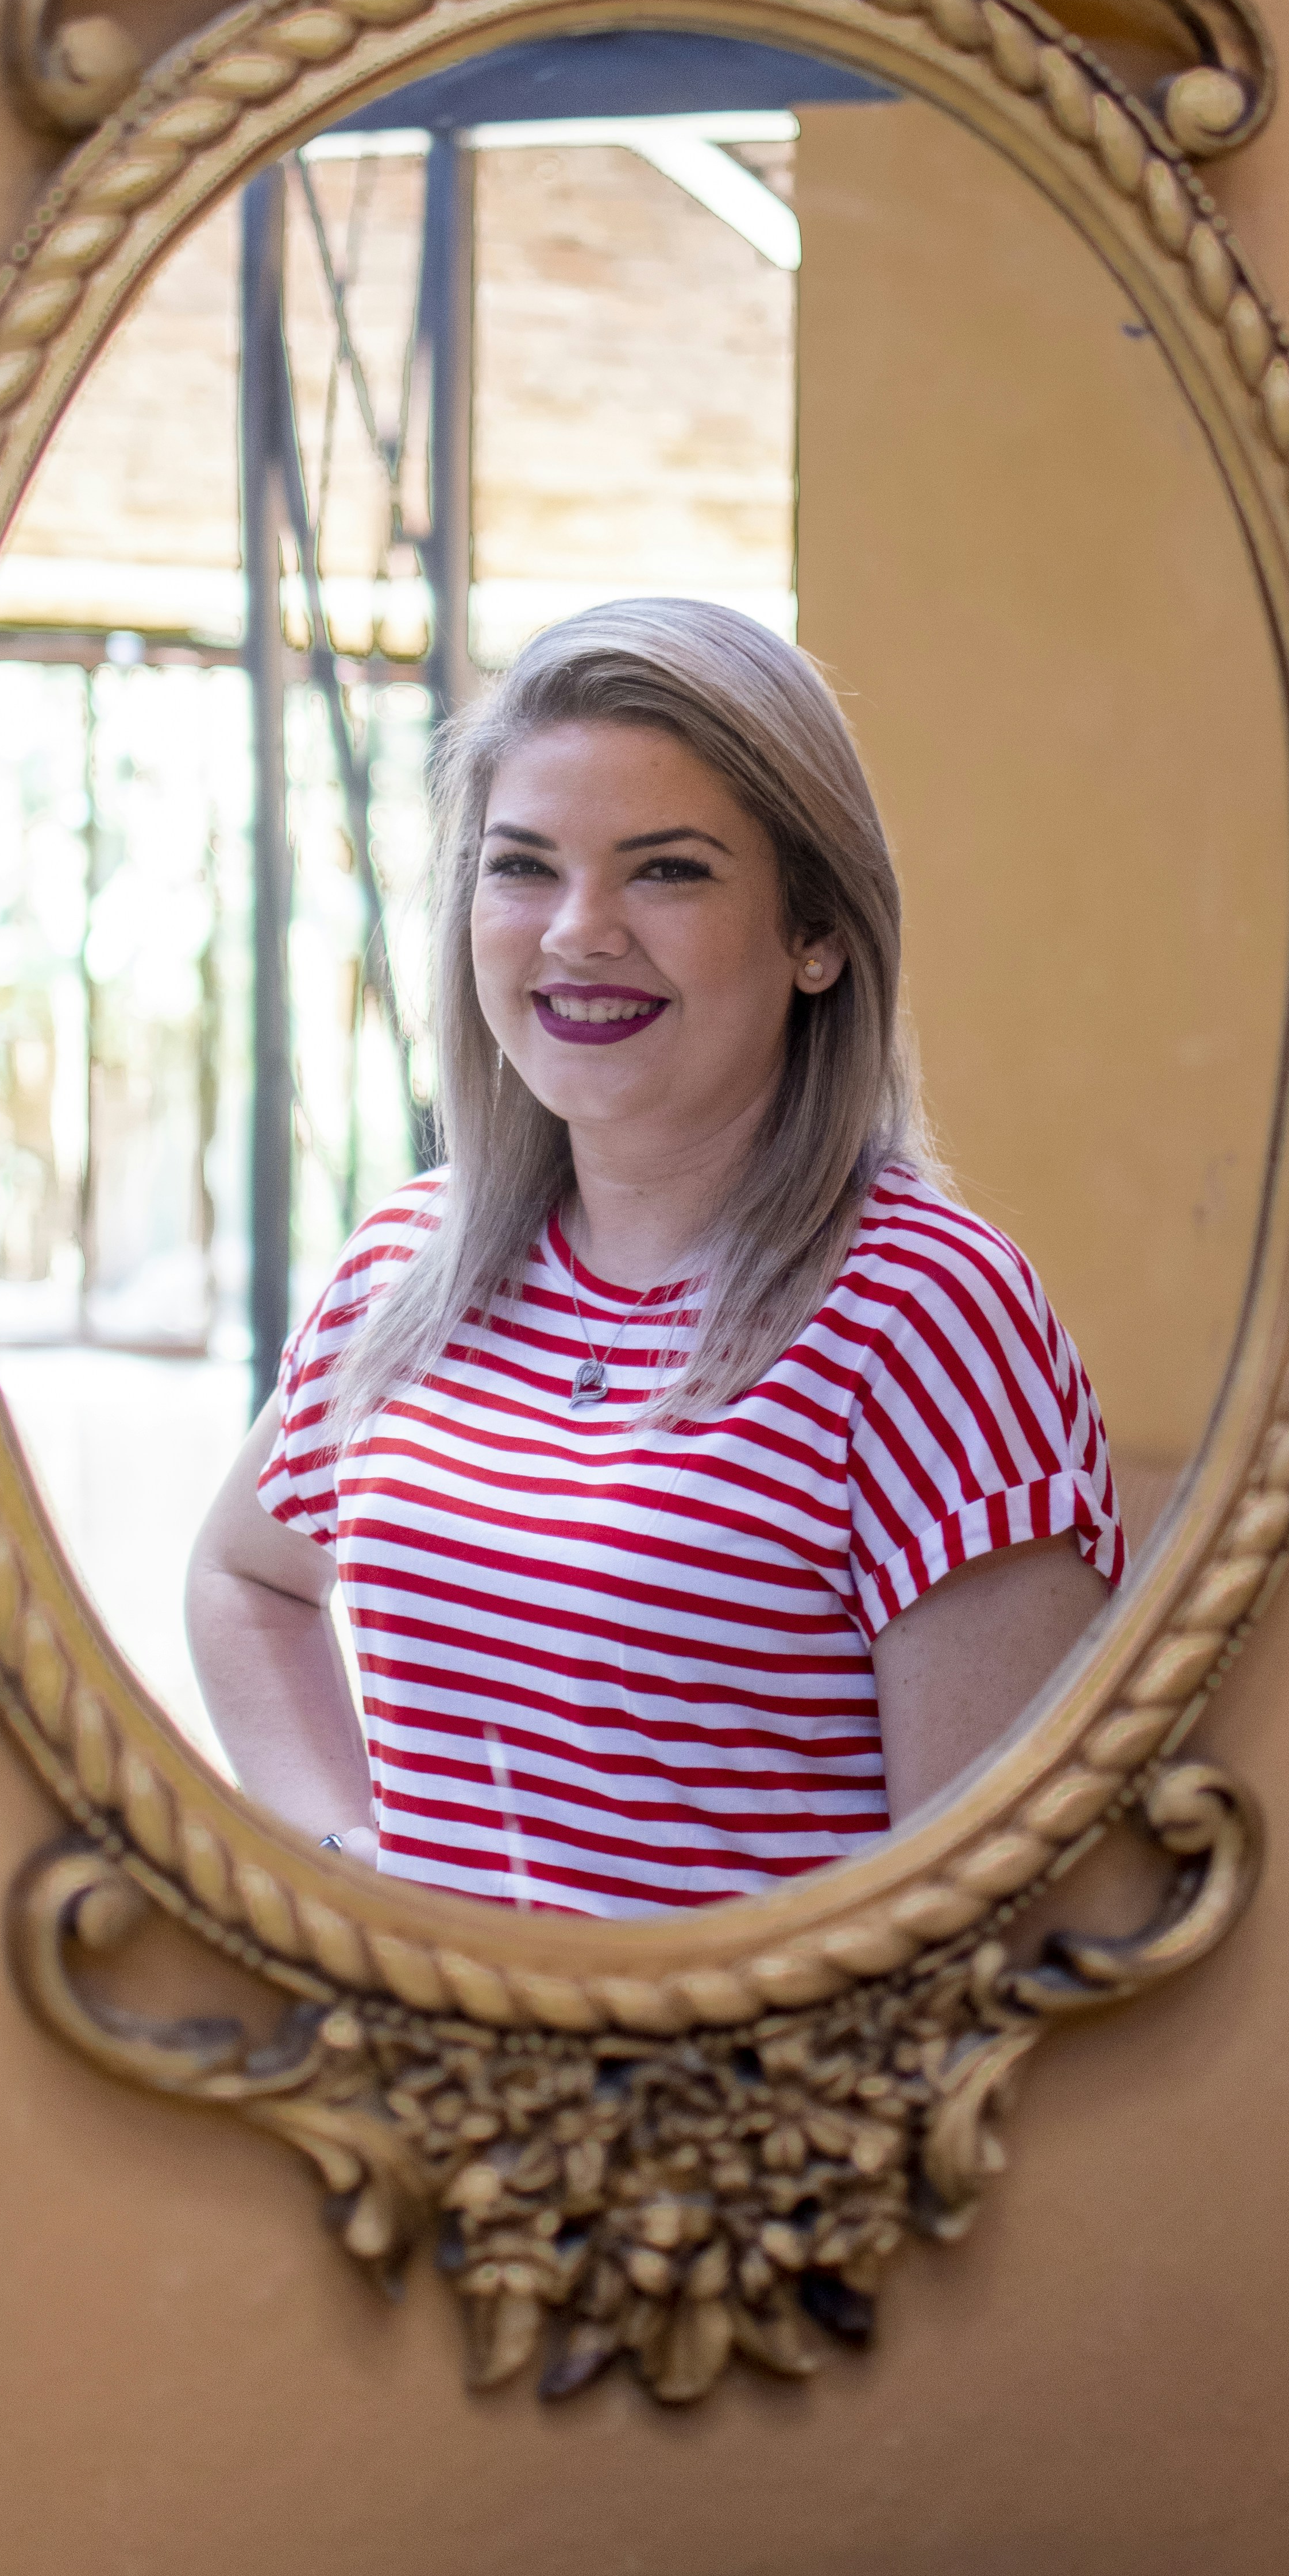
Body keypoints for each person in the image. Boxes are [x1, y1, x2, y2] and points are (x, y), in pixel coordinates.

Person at [186, 597, 1122, 1916]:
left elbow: (984, 1918)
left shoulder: (928, 1314)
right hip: (438, 2103)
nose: (577, 930)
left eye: (665, 869)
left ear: (817, 934)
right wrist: (349, 1863)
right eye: (522, 866)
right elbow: (244, 1579)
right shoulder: (408, 1258)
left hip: (739, 2123)